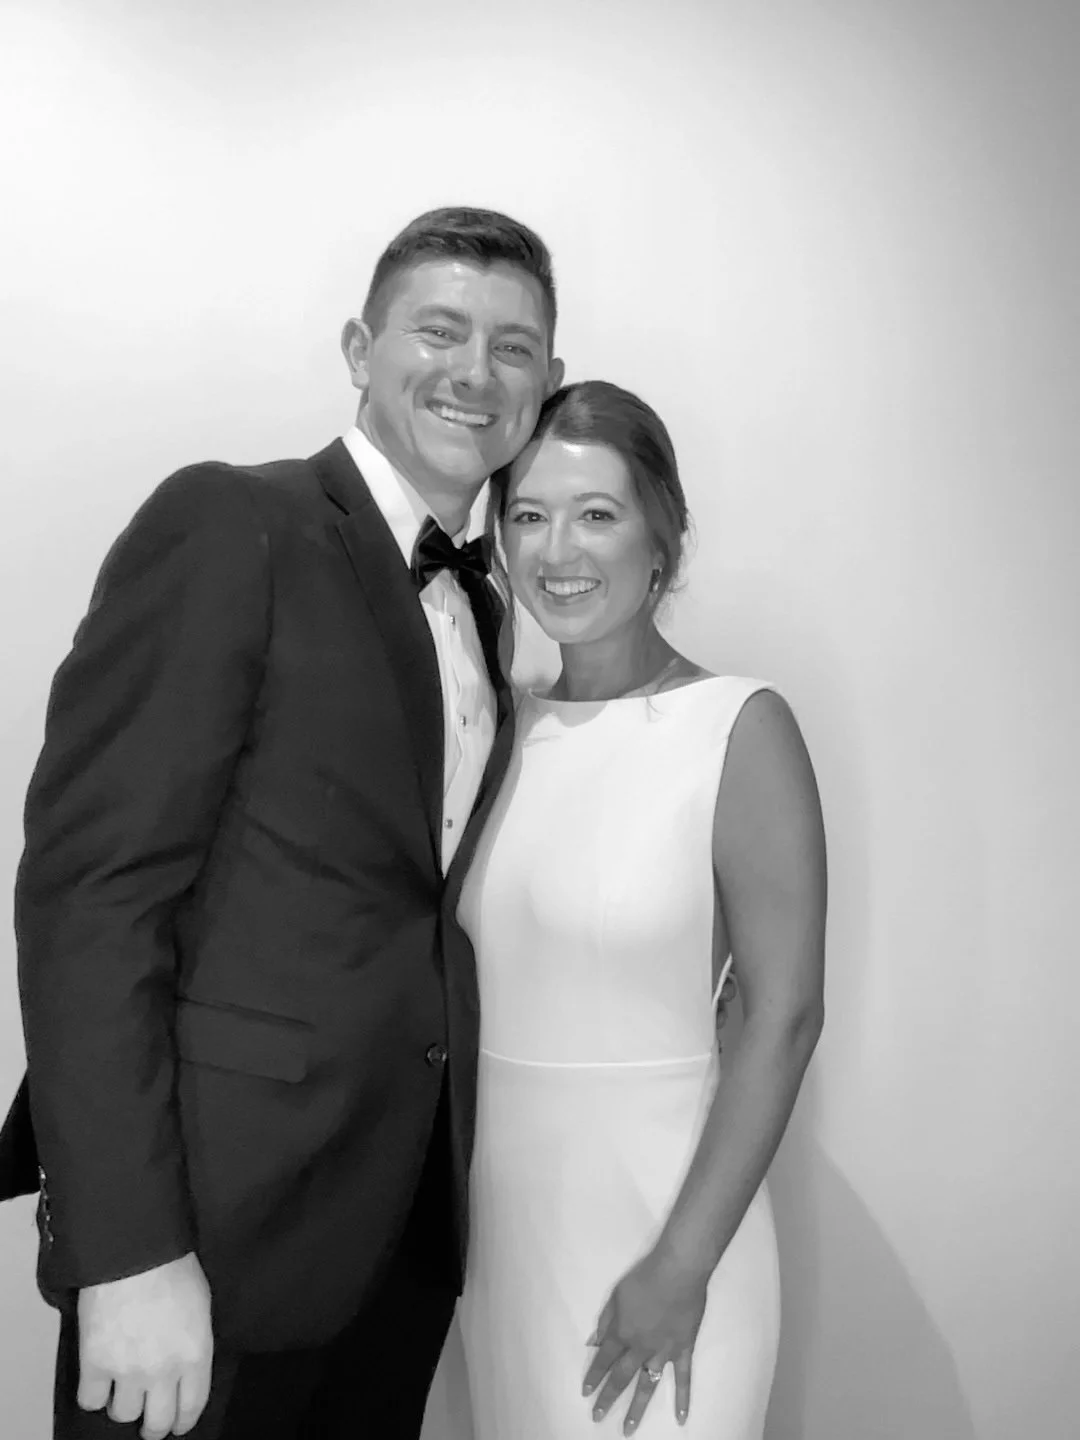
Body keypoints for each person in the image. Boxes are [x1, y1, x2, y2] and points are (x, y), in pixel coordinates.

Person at [0, 206, 565, 1440]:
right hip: (209, 1235)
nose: (476, 372)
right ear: (360, 348)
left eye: (514, 348)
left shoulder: (494, 604)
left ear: (548, 385)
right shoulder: (229, 524)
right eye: (439, 329)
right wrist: (127, 1252)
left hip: (399, 1235)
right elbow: (92, 895)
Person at [454, 380, 827, 1438]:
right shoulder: (491, 727)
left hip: (667, 1230)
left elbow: (782, 1014)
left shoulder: (738, 727)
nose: (556, 549)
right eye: (527, 515)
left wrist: (680, 1265)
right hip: (506, 1238)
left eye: (597, 513)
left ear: (662, 535)